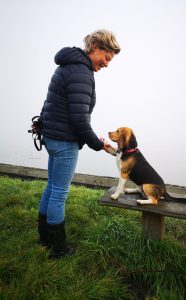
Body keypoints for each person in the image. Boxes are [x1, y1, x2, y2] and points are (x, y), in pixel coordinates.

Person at [37, 29, 121, 259]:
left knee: (51, 187)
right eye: (107, 58)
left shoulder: (67, 64)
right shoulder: (81, 73)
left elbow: (50, 103)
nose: (107, 64)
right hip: (64, 142)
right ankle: (58, 249)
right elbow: (79, 118)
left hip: (52, 137)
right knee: (59, 194)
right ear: (95, 46)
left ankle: (44, 239)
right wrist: (97, 143)